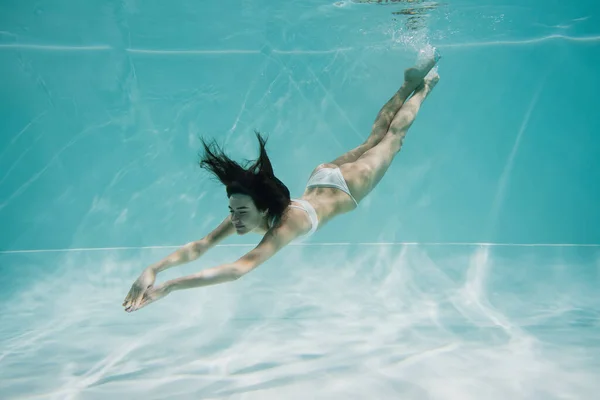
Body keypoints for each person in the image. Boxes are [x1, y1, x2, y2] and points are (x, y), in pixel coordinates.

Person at [123, 49, 440, 312]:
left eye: (241, 213)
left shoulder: (285, 224)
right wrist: (153, 268)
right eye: (232, 211)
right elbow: (199, 246)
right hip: (321, 178)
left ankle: (422, 88)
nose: (234, 219)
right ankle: (405, 86)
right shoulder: (247, 211)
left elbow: (238, 269)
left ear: (262, 209)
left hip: (348, 185)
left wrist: (169, 286)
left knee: (391, 140)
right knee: (372, 141)